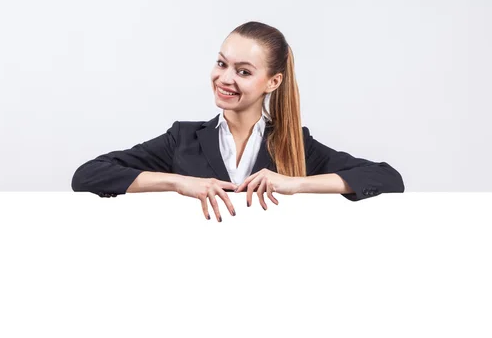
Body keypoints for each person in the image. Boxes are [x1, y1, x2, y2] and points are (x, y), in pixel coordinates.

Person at [71, 21, 405, 221]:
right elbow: (88, 175)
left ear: (272, 82)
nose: (224, 78)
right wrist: (177, 182)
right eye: (221, 64)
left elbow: (387, 179)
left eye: (243, 71)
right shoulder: (183, 138)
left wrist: (295, 183)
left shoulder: (295, 144)